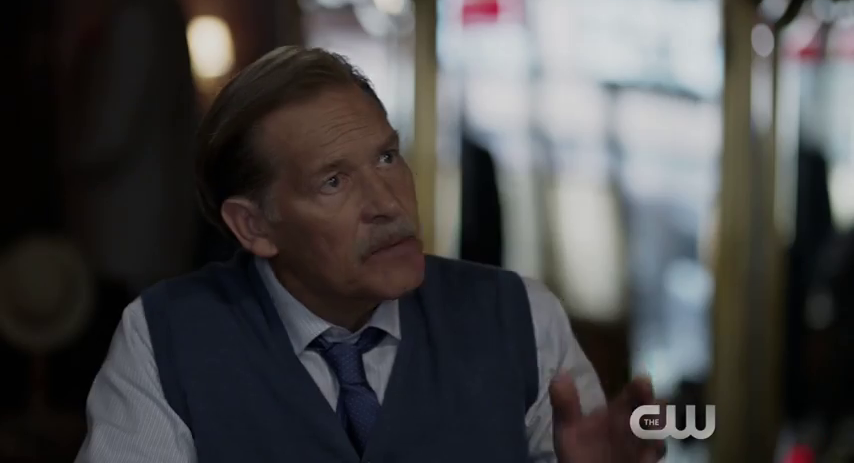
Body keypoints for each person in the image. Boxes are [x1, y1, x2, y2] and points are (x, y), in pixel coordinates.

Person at [75, 46, 665, 463]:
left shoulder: (521, 317)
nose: (388, 203)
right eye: (333, 182)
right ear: (253, 226)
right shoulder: (164, 339)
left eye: (387, 157)